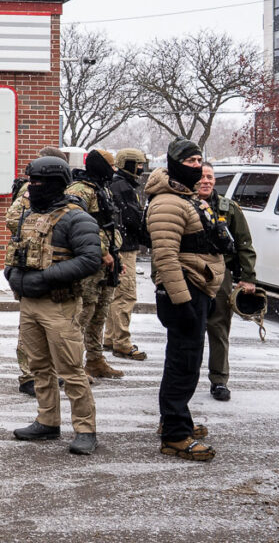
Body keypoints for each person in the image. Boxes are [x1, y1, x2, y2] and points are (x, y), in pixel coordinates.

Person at [5, 155, 103, 455]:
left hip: (59, 305)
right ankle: (47, 421)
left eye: (38, 182)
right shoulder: (29, 214)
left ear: (55, 183)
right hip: (30, 304)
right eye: (30, 181)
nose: (32, 187)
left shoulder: (77, 217)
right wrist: (12, 275)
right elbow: (16, 251)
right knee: (38, 367)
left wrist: (46, 278)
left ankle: (85, 429)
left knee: (71, 369)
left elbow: (90, 259)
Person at [144, 138, 227, 461]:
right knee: (184, 364)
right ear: (175, 164)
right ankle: (176, 436)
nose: (197, 166)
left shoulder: (186, 198)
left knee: (183, 361)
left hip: (196, 290)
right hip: (184, 293)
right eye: (190, 161)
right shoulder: (168, 203)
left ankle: (174, 422)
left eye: (199, 160)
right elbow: (165, 258)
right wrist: (183, 303)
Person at [7, 145, 69, 396]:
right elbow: (13, 219)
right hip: (30, 263)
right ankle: (28, 375)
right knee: (29, 324)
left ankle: (45, 372)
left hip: (49, 264)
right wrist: (38, 231)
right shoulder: (31, 190)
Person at [196, 162, 257, 402]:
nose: (206, 181)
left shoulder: (229, 208)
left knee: (219, 327)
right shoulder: (183, 205)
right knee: (188, 328)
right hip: (189, 272)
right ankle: (184, 378)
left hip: (221, 272)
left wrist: (248, 278)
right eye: (201, 176)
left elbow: (244, 244)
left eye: (210, 177)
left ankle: (219, 381)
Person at [67, 149, 125, 381]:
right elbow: (73, 224)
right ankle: (73, 365)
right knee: (84, 313)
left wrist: (115, 256)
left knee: (100, 314)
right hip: (89, 263)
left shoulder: (101, 189)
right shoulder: (79, 190)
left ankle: (95, 360)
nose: (113, 171)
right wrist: (101, 251)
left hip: (107, 264)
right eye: (110, 166)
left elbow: (107, 225)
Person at [103, 147, 149, 361]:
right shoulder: (123, 186)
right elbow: (134, 219)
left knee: (115, 295)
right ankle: (122, 342)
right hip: (125, 248)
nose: (141, 168)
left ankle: (110, 337)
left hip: (117, 246)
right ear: (128, 163)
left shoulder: (115, 184)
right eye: (138, 164)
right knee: (126, 295)